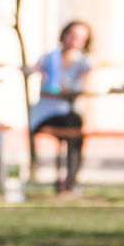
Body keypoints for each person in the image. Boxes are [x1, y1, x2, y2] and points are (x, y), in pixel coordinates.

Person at [23, 20, 92, 191]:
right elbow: (38, 79)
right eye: (73, 35)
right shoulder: (49, 58)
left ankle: (70, 180)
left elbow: (81, 88)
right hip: (47, 113)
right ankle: (67, 183)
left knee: (76, 128)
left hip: (67, 112)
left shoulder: (84, 62)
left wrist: (61, 90)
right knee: (74, 125)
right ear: (64, 34)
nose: (75, 40)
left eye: (81, 37)